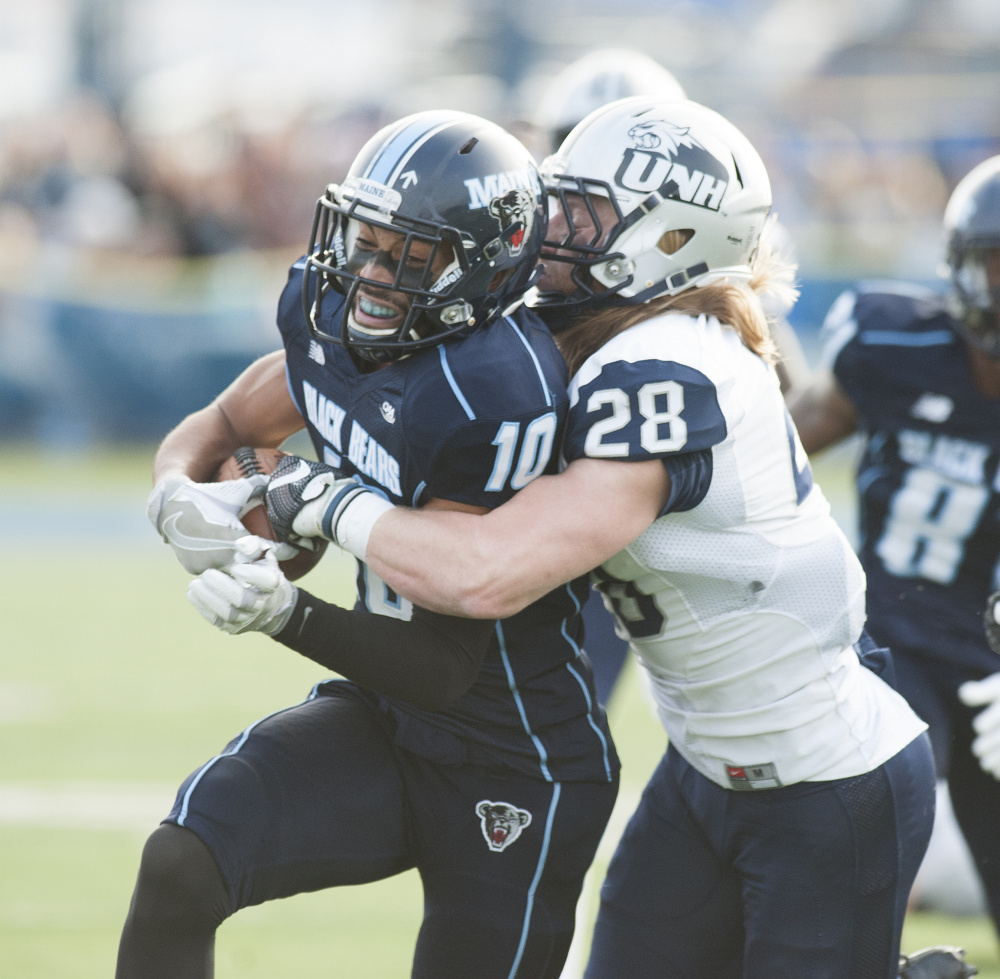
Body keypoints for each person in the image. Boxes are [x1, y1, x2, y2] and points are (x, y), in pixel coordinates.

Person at [264, 97, 938, 979]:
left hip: (827, 781)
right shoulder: (587, 333)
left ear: (669, 237)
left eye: (583, 212)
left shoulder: (669, 369)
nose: (552, 230)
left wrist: (320, 496)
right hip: (702, 770)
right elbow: (323, 387)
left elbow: (487, 575)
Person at [116, 109, 620, 979]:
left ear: (482, 263)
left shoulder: (491, 388)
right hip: (389, 713)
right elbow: (225, 423)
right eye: (366, 239)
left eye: (407, 254)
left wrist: (284, 612)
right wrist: (178, 500)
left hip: (514, 749)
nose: (371, 273)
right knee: (183, 860)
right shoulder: (331, 312)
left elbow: (446, 662)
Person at [530, 47, 811, 708]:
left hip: (621, 517)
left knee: (568, 706)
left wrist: (689, 473)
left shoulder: (701, 304)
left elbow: (782, 383)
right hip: (562, 503)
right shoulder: (547, 235)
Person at [788, 154, 1000, 944]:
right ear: (962, 269)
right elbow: (773, 458)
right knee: (877, 821)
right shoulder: (892, 342)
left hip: (993, 661)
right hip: (890, 632)